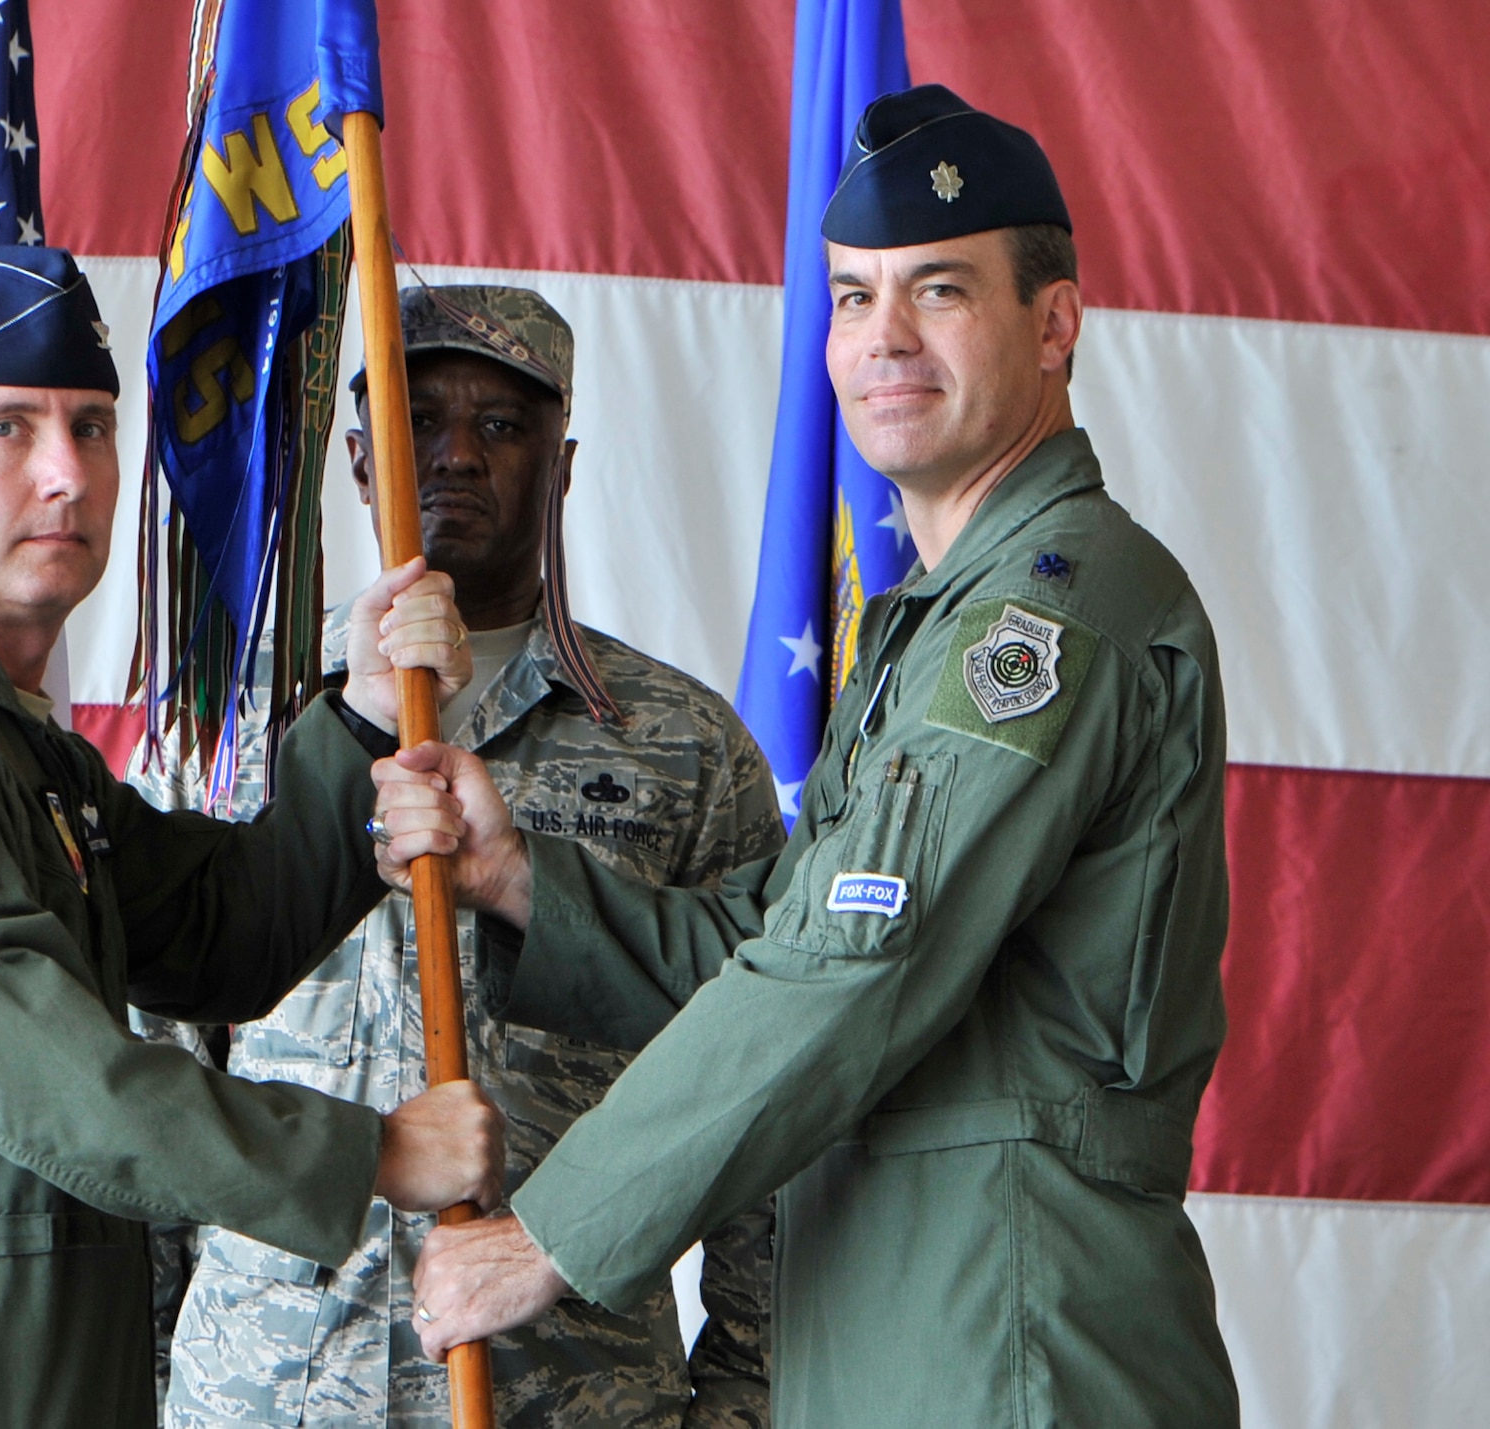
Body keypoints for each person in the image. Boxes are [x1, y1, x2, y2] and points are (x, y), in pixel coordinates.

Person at [381, 87, 1242, 1426]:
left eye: (939, 292)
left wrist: (548, 1235)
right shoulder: (935, 617)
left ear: (1056, 323)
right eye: (851, 298)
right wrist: (521, 883)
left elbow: (851, 965)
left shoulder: (1048, 617)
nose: (881, 341)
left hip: (1007, 1328)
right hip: (909, 1309)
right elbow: (778, 936)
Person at [0, 245, 505, 1429]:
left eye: (90, 427)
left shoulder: (14, 747)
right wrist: (369, 1153)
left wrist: (359, 716)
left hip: (39, 1370)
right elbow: (62, 1089)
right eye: (6, 430)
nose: (66, 474)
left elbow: (215, 935)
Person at [132, 286, 784, 1428]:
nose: (456, 456)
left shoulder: (682, 746)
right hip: (268, 1391)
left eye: (501, 425)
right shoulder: (233, 731)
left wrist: (740, 1396)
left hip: (573, 1393)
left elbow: (762, 1082)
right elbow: (149, 1077)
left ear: (563, 462)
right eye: (418, 420)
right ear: (357, 458)